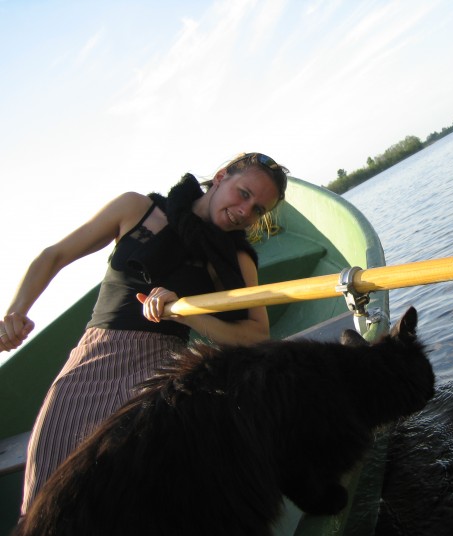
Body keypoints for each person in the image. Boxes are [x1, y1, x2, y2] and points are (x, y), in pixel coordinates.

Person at [0, 152, 289, 515]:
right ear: (220, 177)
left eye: (259, 210)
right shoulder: (137, 208)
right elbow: (54, 255)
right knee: (47, 491)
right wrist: (16, 311)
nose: (246, 212)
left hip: (157, 375)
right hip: (90, 363)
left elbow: (257, 334)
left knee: (132, 494)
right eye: (244, 193)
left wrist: (186, 312)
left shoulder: (235, 256)